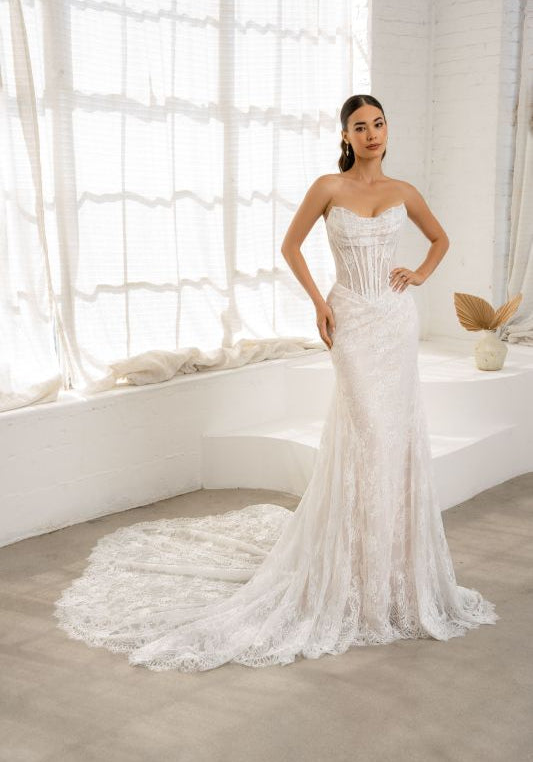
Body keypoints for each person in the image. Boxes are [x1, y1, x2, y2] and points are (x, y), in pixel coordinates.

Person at [54, 94, 499, 672]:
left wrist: (418, 274)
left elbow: (440, 240)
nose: (371, 133)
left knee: (396, 440)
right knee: (368, 438)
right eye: (360, 126)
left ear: (388, 131)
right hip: (352, 319)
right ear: (345, 136)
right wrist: (320, 303)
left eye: (379, 124)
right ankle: (354, 571)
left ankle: (393, 573)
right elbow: (290, 246)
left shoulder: (404, 191)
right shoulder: (328, 187)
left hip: (394, 321)